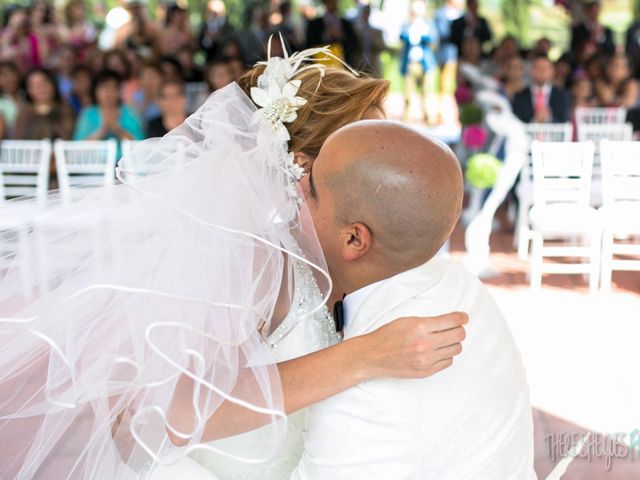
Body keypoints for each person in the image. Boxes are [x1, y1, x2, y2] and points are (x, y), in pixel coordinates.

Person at [0, 44, 467, 480]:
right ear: (303, 169)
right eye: (367, 143)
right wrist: (364, 357)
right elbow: (169, 411)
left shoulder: (315, 258)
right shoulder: (252, 258)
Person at [291, 120, 535, 479]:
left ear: (355, 240)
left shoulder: (360, 402)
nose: (294, 185)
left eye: (311, 189)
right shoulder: (463, 285)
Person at [73, 69, 144, 141]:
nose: (109, 92)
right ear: (95, 91)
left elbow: (139, 142)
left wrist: (117, 129)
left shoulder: (129, 112)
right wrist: (103, 130)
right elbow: (78, 145)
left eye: (113, 87)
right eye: (104, 87)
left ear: (119, 92)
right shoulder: (88, 114)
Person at [399, 0, 438, 123]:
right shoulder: (407, 24)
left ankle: (429, 117)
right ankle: (406, 119)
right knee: (408, 93)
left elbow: (433, 38)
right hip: (410, 63)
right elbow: (402, 36)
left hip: (425, 63)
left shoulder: (428, 24)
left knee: (427, 92)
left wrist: (419, 37)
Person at [12, 67, 74, 140]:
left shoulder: (65, 110)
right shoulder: (24, 113)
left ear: (52, 84)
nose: (40, 87)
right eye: (34, 84)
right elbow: (19, 140)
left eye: (44, 81)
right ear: (28, 90)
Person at [511, 54, 571, 124]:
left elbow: (564, 121)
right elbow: (515, 123)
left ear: (552, 71)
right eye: (538, 68)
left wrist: (548, 118)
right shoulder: (519, 96)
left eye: (545, 68)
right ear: (531, 71)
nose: (542, 71)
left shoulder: (562, 96)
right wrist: (534, 120)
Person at [305, 0, 359, 66]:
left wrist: (341, 36)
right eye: (330, 1)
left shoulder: (346, 24)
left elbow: (355, 44)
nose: (333, 3)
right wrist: (326, 35)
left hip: (343, 65)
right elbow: (308, 45)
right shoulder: (315, 24)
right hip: (321, 64)